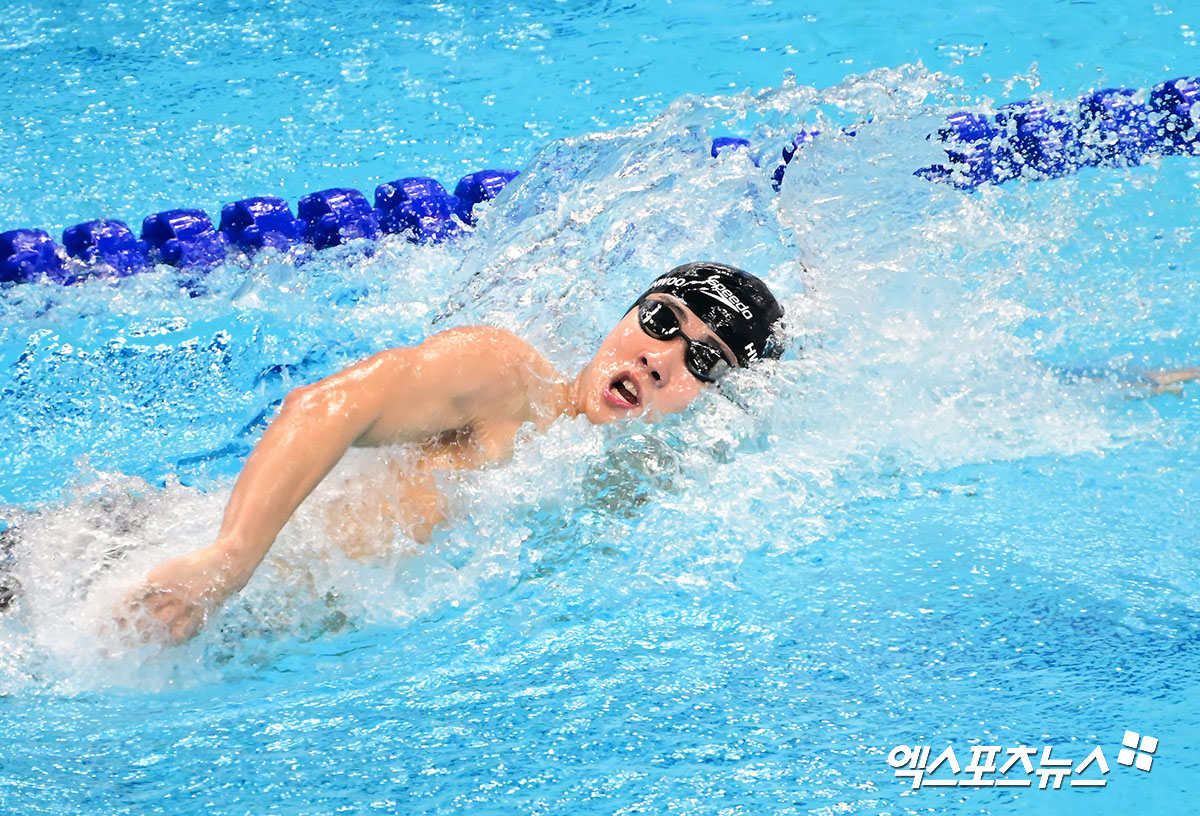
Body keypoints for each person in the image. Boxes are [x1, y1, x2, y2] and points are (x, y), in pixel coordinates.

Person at [116, 261, 787, 643]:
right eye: (661, 320)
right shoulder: (507, 383)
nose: (658, 356)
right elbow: (325, 405)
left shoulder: (640, 490)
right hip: (148, 571)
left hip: (230, 633)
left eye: (702, 359)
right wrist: (228, 559)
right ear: (625, 316)